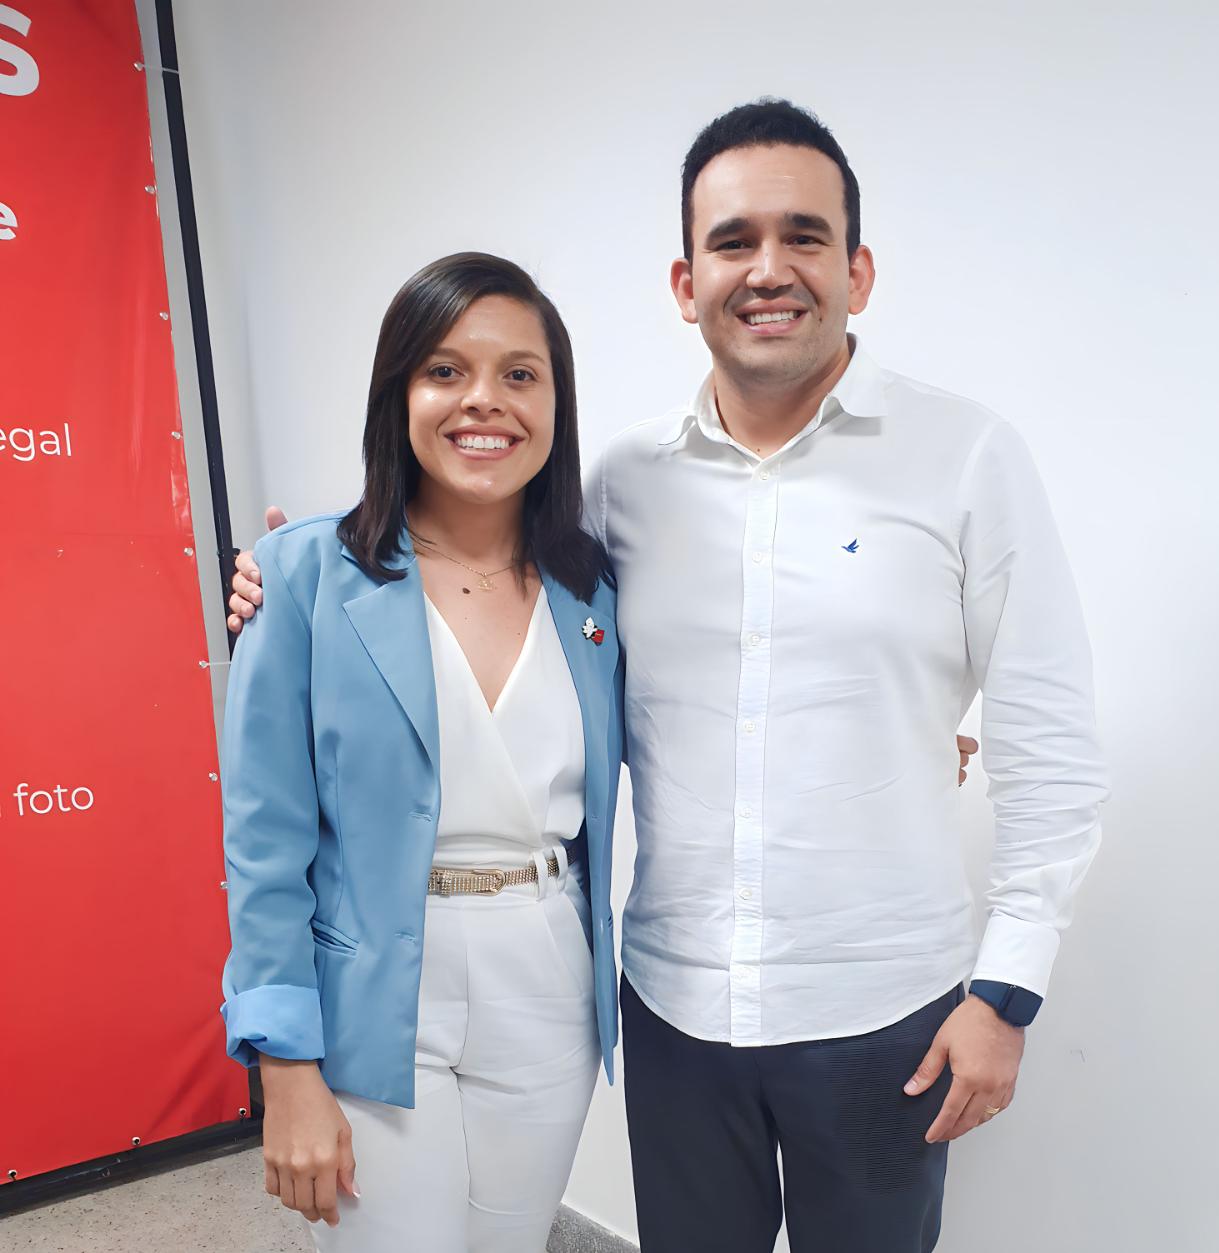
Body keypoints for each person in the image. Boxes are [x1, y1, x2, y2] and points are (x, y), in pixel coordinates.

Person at [225, 99, 1105, 1252]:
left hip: (881, 1006)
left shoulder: (966, 457)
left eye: (802, 235)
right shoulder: (619, 490)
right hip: (675, 1010)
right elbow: (468, 568)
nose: (767, 268)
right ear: (687, 284)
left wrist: (1003, 989)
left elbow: (1050, 747)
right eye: (733, 241)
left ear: (857, 270)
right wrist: (287, 577)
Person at [218, 252, 624, 1253]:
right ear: (398, 392)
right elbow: (264, 843)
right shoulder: (303, 572)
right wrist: (285, 1065)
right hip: (378, 979)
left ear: (556, 402)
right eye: (445, 370)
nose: (483, 399)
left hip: (547, 970)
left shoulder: (594, 587)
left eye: (519, 374)